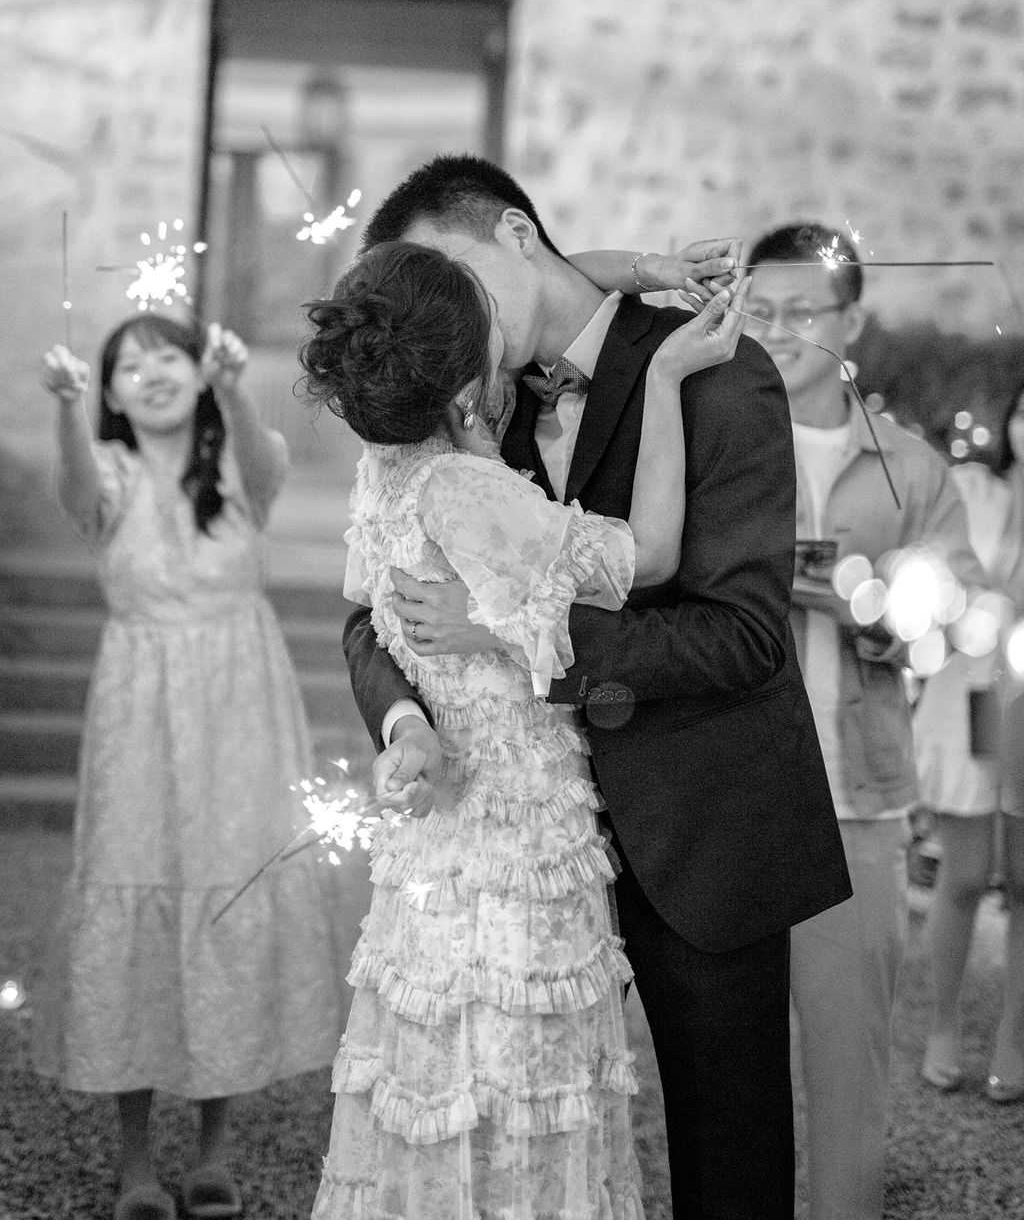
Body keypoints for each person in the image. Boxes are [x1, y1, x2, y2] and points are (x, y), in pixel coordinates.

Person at [340, 155, 852, 1220]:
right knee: (516, 1142)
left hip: (694, 825)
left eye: (456, 275)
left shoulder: (713, 370)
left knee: (727, 1153)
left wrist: (516, 637)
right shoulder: (454, 395)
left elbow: (745, 635)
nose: (449, 313)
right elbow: (370, 612)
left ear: (519, 236)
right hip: (509, 854)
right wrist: (402, 713)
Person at [298, 237, 749, 1218]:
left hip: (437, 848)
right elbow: (654, 553)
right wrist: (665, 373)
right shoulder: (473, 490)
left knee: (439, 1080)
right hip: (519, 844)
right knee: (517, 1088)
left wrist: (626, 271)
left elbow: (386, 609)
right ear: (464, 375)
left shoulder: (385, 467)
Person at [32, 314, 349, 1220]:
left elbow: (263, 459)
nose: (149, 372)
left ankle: (214, 1149)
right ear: (112, 394)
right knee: (139, 881)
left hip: (239, 697)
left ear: (196, 367)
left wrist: (232, 386)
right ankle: (135, 1159)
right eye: (126, 366)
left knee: (227, 888)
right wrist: (64, 408)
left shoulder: (244, 468)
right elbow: (74, 485)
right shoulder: (112, 475)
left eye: (164, 354)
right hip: (139, 698)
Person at [742, 222, 986, 1220]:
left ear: (850, 318)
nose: (776, 329)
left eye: (799, 311)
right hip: (728, 792)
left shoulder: (907, 466)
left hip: (857, 797)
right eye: (757, 310)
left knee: (849, 1060)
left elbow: (962, 611)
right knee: (729, 1072)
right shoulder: (706, 432)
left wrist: (881, 609)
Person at [914, 381, 1024, 1102]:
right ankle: (942, 1023)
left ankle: (1014, 1036)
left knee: (1023, 882)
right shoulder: (974, 491)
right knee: (963, 873)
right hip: (976, 693)